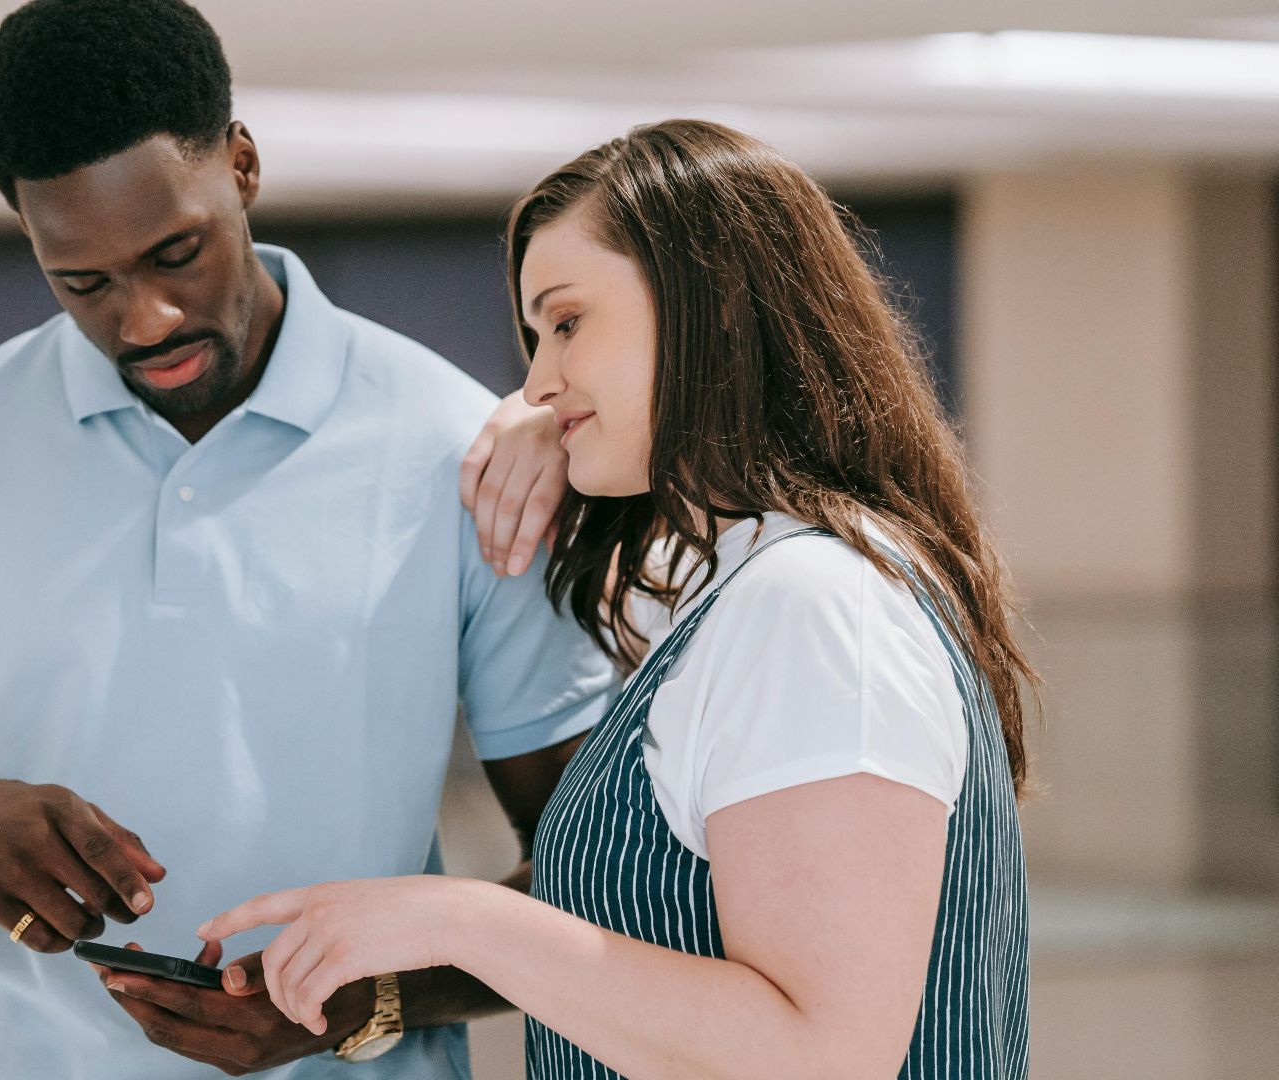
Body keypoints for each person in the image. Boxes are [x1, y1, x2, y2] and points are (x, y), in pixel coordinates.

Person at [0, 1, 615, 1077]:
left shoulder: (455, 449)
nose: (145, 319)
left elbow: (595, 880)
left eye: (177, 252)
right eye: (84, 282)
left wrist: (357, 999)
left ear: (243, 166)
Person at [201, 119, 1036, 1079]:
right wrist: (552, 420)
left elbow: (824, 1053)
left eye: (566, 323)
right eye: (532, 337)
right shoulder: (751, 582)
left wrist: (459, 919)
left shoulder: (813, 606)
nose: (536, 378)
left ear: (710, 308)